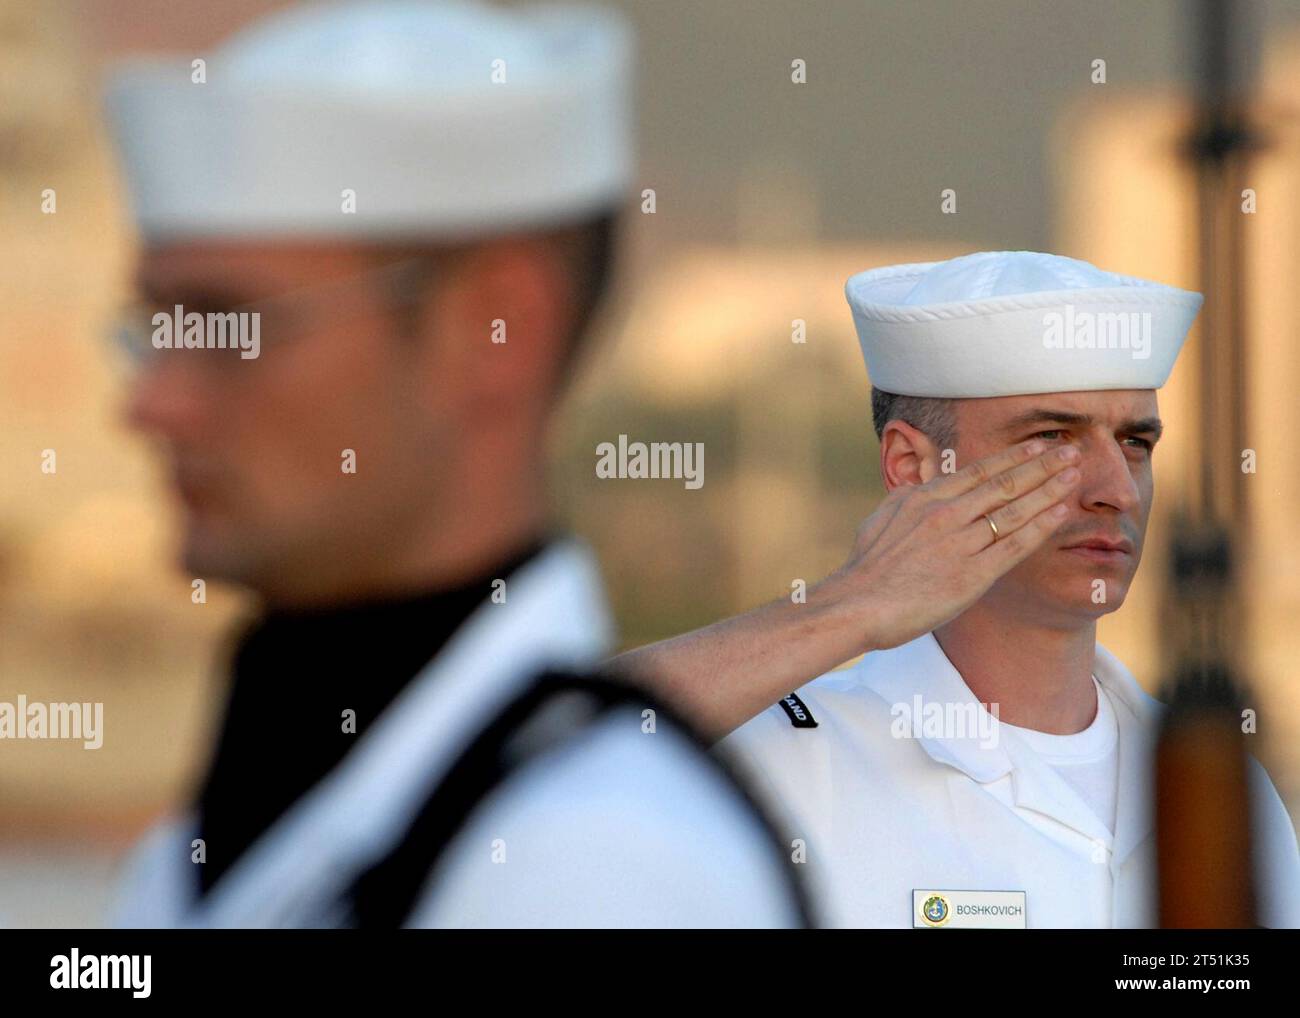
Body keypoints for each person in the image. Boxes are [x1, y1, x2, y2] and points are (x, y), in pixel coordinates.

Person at [101, 0, 813, 928]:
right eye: (156, 329)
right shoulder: (220, 833)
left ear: (494, 329)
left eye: (231, 327)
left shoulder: (601, 869)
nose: (151, 402)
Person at [612, 250, 1300, 928]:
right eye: (1054, 438)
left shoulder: (1220, 788)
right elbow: (548, 751)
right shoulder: (789, 758)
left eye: (1134, 444)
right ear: (912, 466)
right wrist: (852, 604)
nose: (1115, 491)